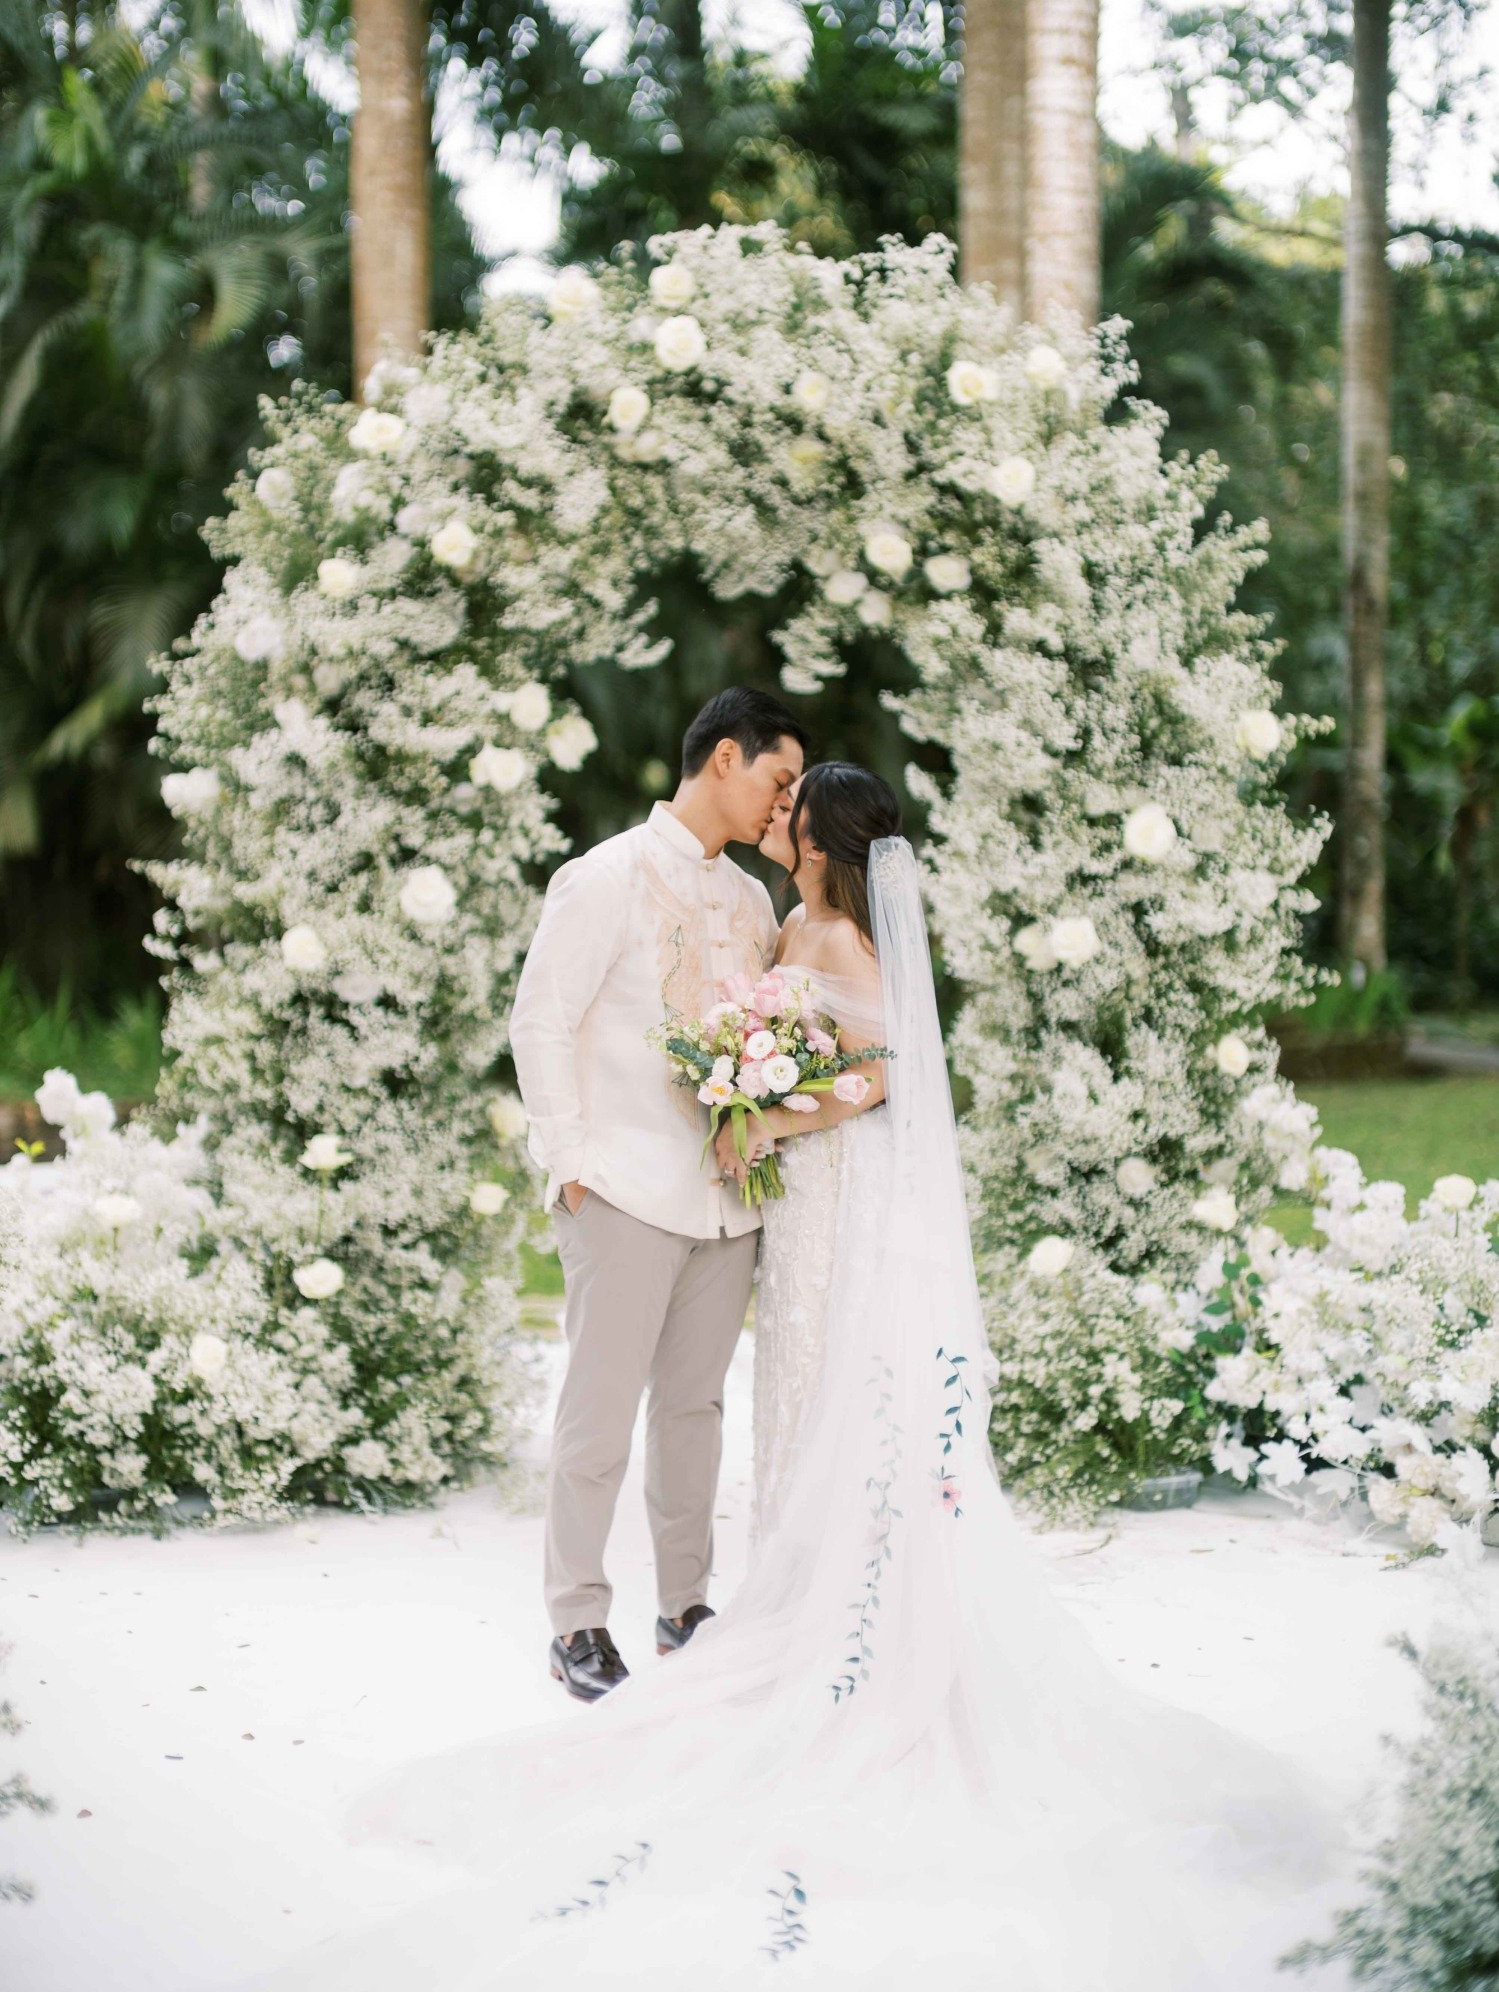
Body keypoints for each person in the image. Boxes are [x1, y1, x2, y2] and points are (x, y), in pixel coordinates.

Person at [250, 760, 1349, 1991]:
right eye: (769, 796)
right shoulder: (784, 918)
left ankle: (845, 1611)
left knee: (833, 1388)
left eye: (791, 812)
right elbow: (750, 1033)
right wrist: (741, 1086)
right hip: (787, 1203)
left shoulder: (844, 937)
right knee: (784, 1398)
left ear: (820, 843)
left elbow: (881, 1081)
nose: (776, 822)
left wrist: (770, 1112)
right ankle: (741, 1594)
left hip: (831, 1191)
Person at [508, 686, 808, 1702]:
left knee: (695, 1410)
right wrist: (569, 1162)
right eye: (777, 779)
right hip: (624, 1187)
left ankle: (685, 1605)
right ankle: (575, 1619)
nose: (784, 804)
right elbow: (538, 1020)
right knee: (597, 1416)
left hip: (729, 1203)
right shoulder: (606, 876)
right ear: (724, 757)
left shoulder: (752, 900)